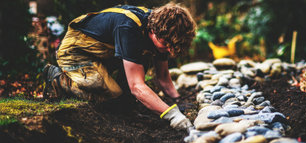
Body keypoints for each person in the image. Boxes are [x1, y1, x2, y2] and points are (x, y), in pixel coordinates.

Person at [42, 3, 196, 130]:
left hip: (103, 54)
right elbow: (136, 87)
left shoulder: (162, 34)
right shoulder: (129, 27)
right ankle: (57, 79)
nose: (169, 50)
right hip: (76, 51)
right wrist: (172, 115)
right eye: (166, 44)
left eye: (172, 47)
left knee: (124, 95)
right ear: (154, 31)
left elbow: (163, 77)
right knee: (111, 93)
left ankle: (125, 106)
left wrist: (179, 101)